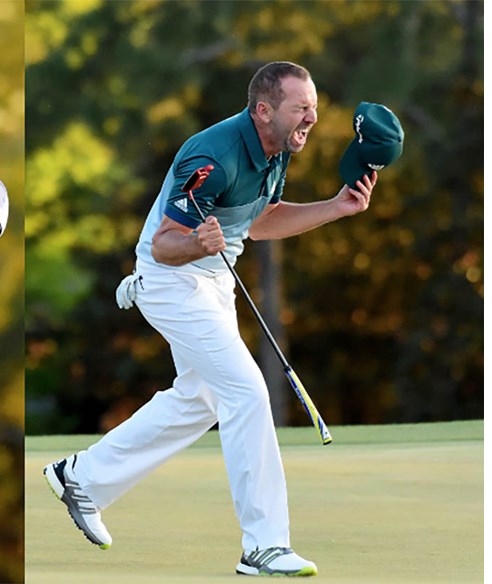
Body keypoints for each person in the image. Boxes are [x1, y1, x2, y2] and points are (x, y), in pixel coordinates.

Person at [43, 61, 386, 577]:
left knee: (203, 396)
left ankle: (83, 478)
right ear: (263, 110)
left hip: (213, 278)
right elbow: (163, 245)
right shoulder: (214, 155)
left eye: (314, 107)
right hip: (170, 279)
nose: (311, 118)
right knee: (246, 390)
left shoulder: (276, 148)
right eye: (301, 108)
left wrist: (336, 207)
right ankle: (264, 545)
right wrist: (194, 244)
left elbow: (262, 221)